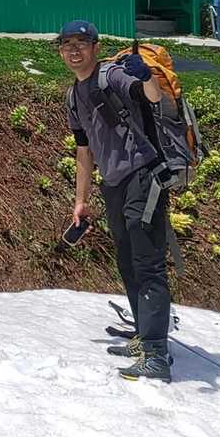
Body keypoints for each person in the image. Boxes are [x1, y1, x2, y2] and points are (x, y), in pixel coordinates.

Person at [59, 20, 175, 382]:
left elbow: (153, 98)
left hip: (144, 174)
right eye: (67, 44)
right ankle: (144, 336)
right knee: (126, 260)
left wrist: (146, 76)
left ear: (96, 47)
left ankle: (156, 354)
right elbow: (83, 151)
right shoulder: (73, 96)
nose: (74, 50)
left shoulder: (112, 76)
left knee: (147, 262)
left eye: (82, 43)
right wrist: (81, 200)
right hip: (113, 184)